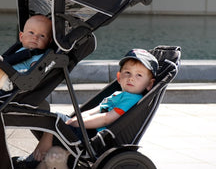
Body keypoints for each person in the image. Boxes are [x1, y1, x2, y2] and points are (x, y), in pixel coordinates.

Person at [30, 48, 159, 162]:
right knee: (54, 120)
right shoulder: (118, 95)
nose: (131, 78)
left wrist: (79, 123)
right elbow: (96, 110)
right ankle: (45, 156)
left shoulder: (131, 99)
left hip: (92, 137)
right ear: (119, 77)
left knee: (53, 121)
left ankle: (39, 155)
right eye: (127, 73)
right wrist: (77, 118)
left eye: (139, 75)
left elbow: (106, 118)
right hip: (88, 129)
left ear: (149, 84)